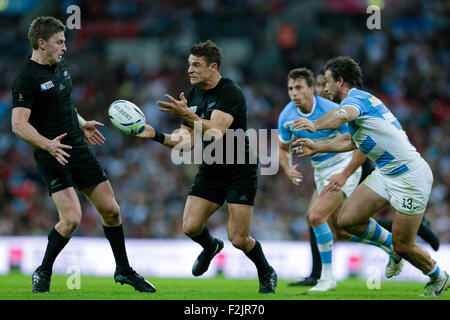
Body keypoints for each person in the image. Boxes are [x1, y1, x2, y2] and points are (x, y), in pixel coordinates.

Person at [11, 16, 155, 293]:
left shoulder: (60, 66)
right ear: (42, 43)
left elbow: (64, 103)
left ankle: (123, 270)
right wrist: (47, 144)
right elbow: (18, 124)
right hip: (53, 153)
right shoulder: (26, 78)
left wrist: (81, 123)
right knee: (71, 220)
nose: (65, 47)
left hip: (78, 146)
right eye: (59, 42)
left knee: (112, 210)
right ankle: (43, 270)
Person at [293, 56, 449, 297]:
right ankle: (392, 248)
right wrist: (318, 146)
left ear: (341, 81)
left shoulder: (356, 100)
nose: (324, 88)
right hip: (387, 174)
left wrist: (314, 126)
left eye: (327, 82)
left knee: (404, 245)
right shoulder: (359, 107)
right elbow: (349, 140)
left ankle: (438, 276)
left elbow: (342, 116)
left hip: (410, 178)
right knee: (348, 220)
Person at [136, 40, 277, 293]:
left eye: (196, 65)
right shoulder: (193, 95)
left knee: (238, 238)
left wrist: (188, 115)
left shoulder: (230, 92)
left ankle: (266, 272)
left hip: (239, 168)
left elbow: (217, 133)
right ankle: (211, 246)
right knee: (190, 226)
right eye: (189, 65)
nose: (190, 70)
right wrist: (156, 135)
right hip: (211, 167)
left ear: (213, 67)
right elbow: (186, 141)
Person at [279, 67, 401, 291]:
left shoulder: (332, 110)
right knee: (341, 232)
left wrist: (345, 174)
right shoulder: (286, 117)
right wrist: (287, 168)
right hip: (320, 171)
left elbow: (360, 142)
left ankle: (327, 279)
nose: (294, 93)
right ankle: (392, 244)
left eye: (299, 87)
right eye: (290, 88)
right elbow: (282, 147)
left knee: (315, 216)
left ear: (312, 88)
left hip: (343, 165)